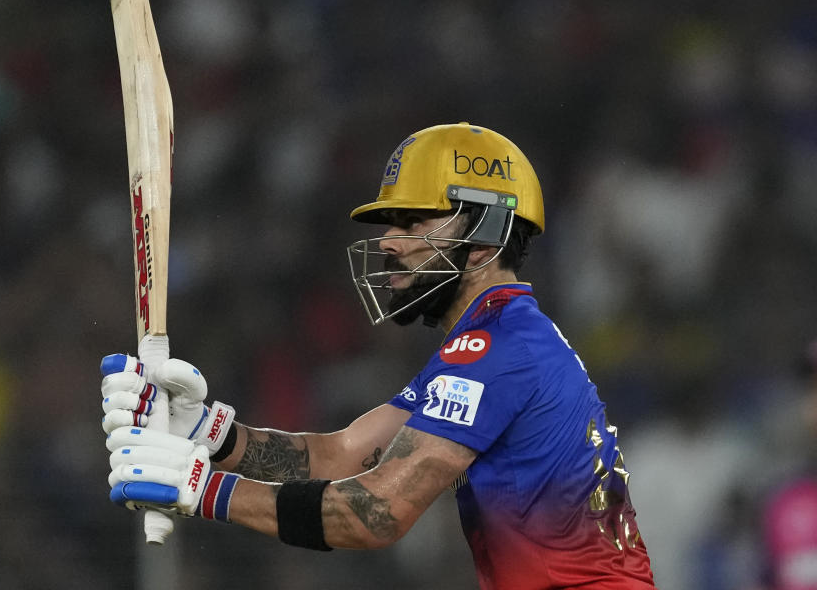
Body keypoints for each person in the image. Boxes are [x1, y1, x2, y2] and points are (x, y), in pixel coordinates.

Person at [100, 123, 657, 589]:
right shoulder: (494, 341)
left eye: (414, 221)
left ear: (485, 240)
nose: (390, 240)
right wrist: (207, 432)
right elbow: (342, 456)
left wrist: (202, 490)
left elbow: (374, 513)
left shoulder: (497, 349)